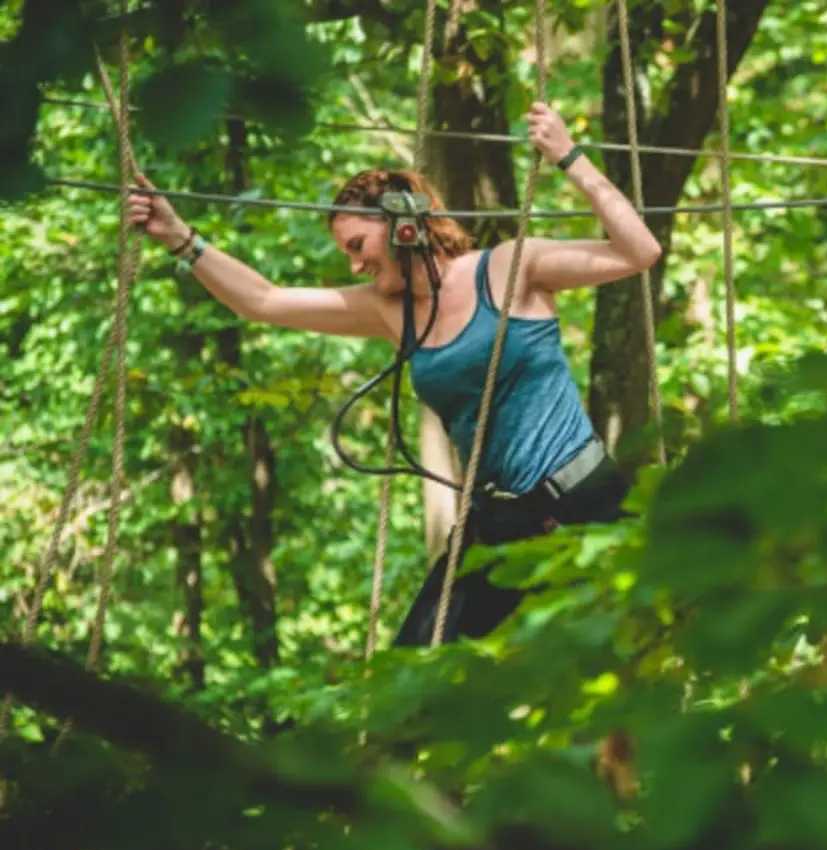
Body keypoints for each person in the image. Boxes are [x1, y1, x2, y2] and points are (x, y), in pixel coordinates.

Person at [127, 101, 661, 646]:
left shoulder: (508, 268)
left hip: (584, 503)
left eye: (358, 246)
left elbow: (640, 252)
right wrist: (179, 238)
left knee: (621, 678)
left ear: (405, 224)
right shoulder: (388, 311)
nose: (354, 266)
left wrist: (570, 157)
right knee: (416, 684)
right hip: (498, 523)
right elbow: (264, 300)